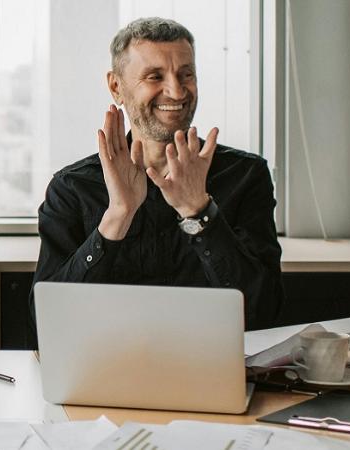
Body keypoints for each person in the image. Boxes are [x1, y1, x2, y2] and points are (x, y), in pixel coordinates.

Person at [29, 17, 283, 345]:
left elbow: (265, 313)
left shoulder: (245, 176)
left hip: (211, 378)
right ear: (116, 86)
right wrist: (117, 215)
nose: (176, 91)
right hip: (105, 379)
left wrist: (199, 213)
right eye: (155, 76)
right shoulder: (72, 188)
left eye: (186, 74)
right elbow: (44, 327)